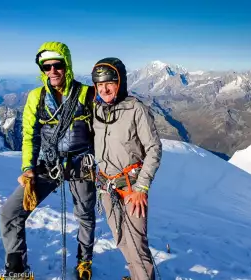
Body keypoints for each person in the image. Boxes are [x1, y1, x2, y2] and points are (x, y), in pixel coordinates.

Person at [0, 41, 96, 280]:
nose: (52, 71)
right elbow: (30, 136)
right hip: (47, 165)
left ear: (67, 65)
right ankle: (17, 271)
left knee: (85, 215)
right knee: (10, 213)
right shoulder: (36, 97)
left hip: (81, 164)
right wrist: (28, 168)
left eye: (57, 65)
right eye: (46, 66)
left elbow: (102, 130)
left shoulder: (86, 94)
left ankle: (84, 261)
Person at [91, 57, 162, 280]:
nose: (104, 89)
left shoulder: (136, 109)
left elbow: (154, 148)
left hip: (132, 189)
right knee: (121, 238)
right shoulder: (96, 110)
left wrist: (142, 187)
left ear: (120, 82)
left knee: (137, 244)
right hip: (106, 188)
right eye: (99, 85)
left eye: (109, 83)